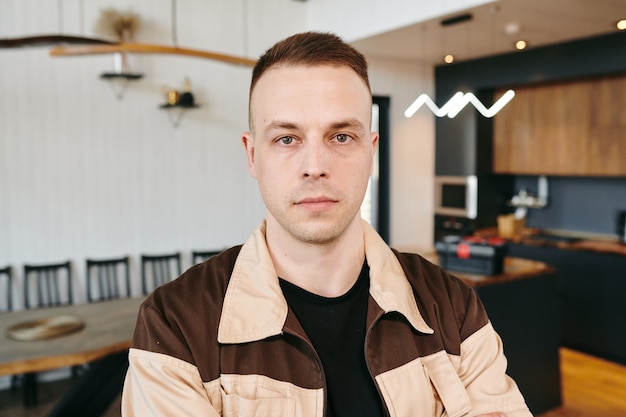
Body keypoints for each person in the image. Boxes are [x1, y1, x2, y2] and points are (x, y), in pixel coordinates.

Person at [121, 31, 532, 417]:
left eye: (340, 137)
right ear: (252, 156)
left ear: (370, 153)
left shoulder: (452, 307)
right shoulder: (176, 324)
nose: (315, 167)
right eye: (287, 138)